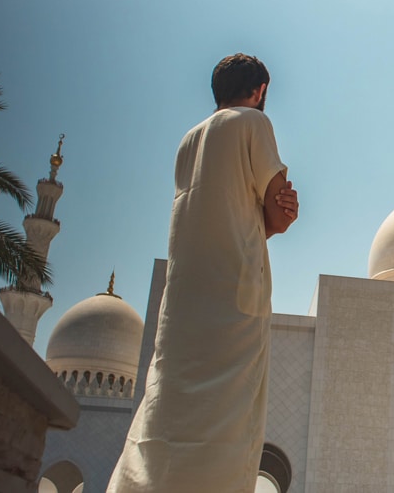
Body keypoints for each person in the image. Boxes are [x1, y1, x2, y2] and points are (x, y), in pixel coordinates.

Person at [108, 53, 298, 492]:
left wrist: (263, 214)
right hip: (235, 298)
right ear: (260, 90)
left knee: (169, 407)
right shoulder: (253, 123)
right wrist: (282, 211)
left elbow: (222, 213)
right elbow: (279, 211)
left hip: (184, 303)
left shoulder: (188, 140)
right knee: (227, 423)